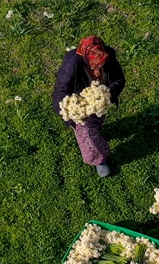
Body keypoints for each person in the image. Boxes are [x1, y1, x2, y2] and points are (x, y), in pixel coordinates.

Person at [53, 36, 125, 177]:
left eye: (101, 66)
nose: (98, 70)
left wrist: (108, 95)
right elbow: (60, 92)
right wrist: (70, 112)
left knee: (97, 123)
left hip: (99, 101)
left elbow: (119, 79)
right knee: (86, 133)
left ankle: (96, 133)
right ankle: (99, 159)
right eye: (95, 66)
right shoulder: (71, 65)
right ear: (86, 58)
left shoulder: (108, 56)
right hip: (80, 106)